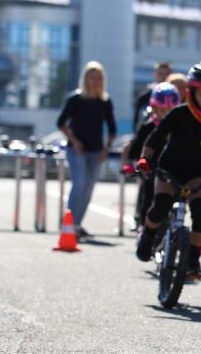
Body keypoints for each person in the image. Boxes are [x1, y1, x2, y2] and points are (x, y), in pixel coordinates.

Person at [135, 61, 201, 280]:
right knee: (160, 205)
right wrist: (145, 159)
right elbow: (155, 137)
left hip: (194, 174)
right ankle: (147, 237)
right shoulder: (179, 113)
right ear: (192, 93)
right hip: (168, 168)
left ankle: (193, 262)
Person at [57, 61, 116, 238]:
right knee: (79, 184)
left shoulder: (104, 101)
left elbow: (112, 128)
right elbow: (61, 123)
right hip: (77, 149)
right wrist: (74, 141)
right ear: (85, 79)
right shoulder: (75, 99)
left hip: (96, 150)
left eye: (98, 78)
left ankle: (77, 224)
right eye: (92, 77)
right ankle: (69, 223)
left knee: (89, 188)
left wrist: (107, 148)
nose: (95, 81)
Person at [122, 83, 180, 230]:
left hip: (173, 171)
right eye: (162, 110)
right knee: (147, 196)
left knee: (179, 197)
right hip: (151, 170)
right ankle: (143, 228)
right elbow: (135, 147)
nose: (166, 114)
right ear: (154, 108)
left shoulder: (180, 128)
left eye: (170, 110)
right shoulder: (148, 127)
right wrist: (129, 163)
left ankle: (174, 228)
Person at [133, 62, 172, 130]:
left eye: (167, 74)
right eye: (160, 73)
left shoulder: (177, 95)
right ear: (155, 74)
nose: (164, 77)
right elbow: (137, 121)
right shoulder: (145, 96)